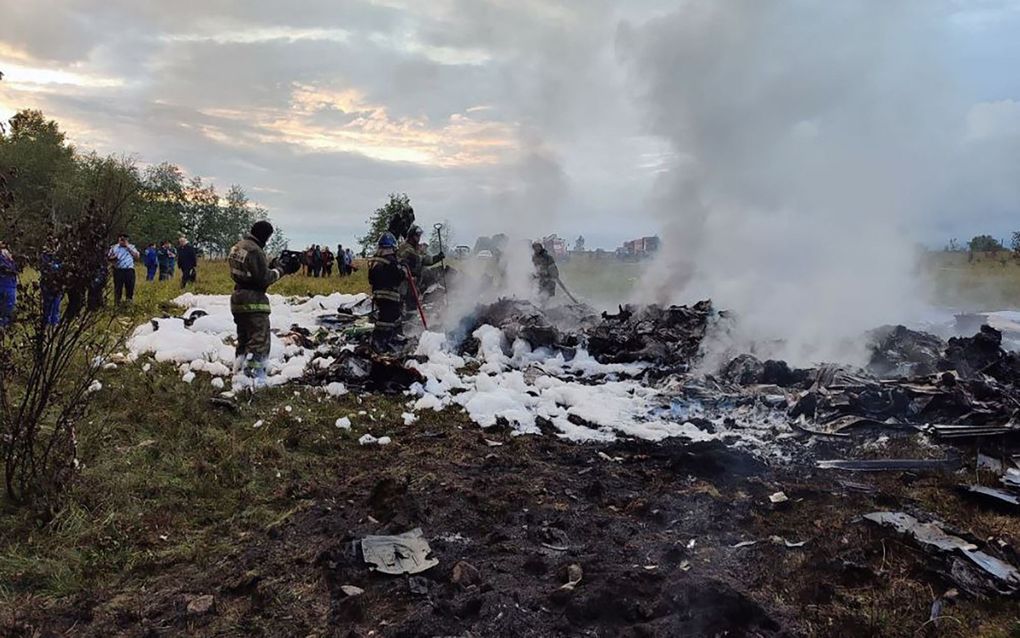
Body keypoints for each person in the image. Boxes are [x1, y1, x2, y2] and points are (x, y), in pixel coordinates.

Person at [228, 220, 294, 385]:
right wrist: (281, 270)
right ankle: (253, 377)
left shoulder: (238, 246)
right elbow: (263, 279)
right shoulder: (255, 251)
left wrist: (268, 266)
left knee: (244, 338)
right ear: (265, 235)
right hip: (254, 301)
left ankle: (238, 371)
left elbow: (249, 271)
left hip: (238, 298)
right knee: (259, 339)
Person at [369, 232, 404, 352]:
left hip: (378, 296)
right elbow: (398, 277)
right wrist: (403, 270)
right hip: (390, 296)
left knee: (384, 318)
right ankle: (383, 342)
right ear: (391, 247)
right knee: (389, 320)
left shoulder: (374, 260)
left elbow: (371, 279)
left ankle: (383, 341)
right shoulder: (392, 260)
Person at [397, 225, 443, 313]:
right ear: (411, 236)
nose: (418, 238)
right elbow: (418, 259)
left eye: (419, 236)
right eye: (417, 236)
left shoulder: (416, 248)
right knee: (403, 304)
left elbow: (425, 259)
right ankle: (402, 322)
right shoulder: (405, 247)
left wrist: (437, 258)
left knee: (413, 305)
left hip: (413, 283)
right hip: (404, 283)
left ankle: (409, 322)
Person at [108, 234, 140, 305]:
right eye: (121, 239)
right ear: (118, 239)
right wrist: (113, 258)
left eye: (124, 239)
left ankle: (129, 303)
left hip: (129, 270)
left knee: (130, 287)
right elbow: (108, 257)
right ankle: (117, 304)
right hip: (118, 270)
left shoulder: (131, 247)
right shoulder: (114, 247)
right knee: (118, 288)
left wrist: (127, 246)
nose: (122, 241)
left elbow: (137, 256)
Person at [40, 239, 62, 326]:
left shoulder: (60, 256)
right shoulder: (45, 256)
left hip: (57, 284)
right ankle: (46, 323)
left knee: (56, 305)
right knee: (47, 304)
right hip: (47, 283)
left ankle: (54, 323)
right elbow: (47, 267)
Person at [0, 240, 18, 327]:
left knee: (8, 308)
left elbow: (16, 270)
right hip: (4, 285)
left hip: (10, 285)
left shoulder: (11, 259)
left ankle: (4, 326)